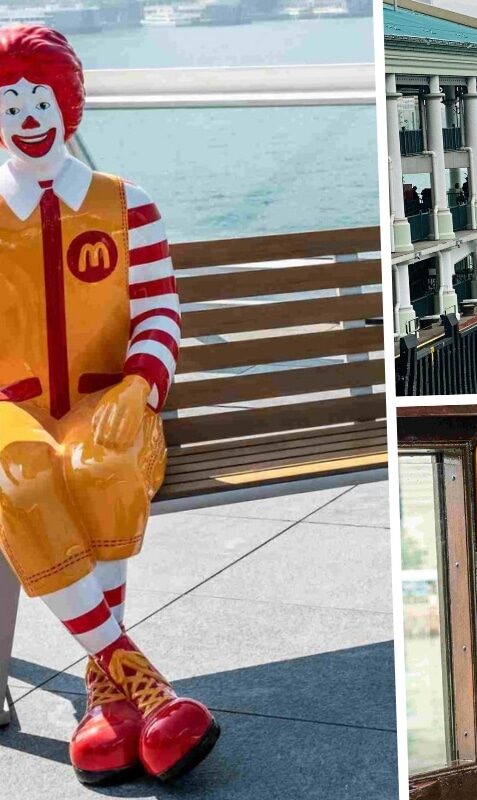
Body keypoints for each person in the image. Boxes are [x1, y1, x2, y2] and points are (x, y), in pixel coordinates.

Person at [0, 26, 218, 785]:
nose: (27, 115)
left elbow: (160, 314)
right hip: (9, 413)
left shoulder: (129, 205)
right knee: (23, 477)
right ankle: (134, 678)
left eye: (39, 96)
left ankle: (108, 698)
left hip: (109, 401)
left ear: (69, 104)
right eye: (9, 101)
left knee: (95, 466)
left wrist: (138, 385)